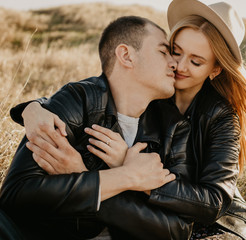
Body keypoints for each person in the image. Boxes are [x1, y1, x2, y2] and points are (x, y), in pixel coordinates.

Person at [5, 0, 246, 239]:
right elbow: (94, 92)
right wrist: (33, 107)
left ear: (215, 69)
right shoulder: (152, 97)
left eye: (196, 62)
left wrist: (131, 171)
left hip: (214, 213)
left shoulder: (220, 116)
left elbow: (212, 202)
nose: (179, 65)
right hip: (151, 209)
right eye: (174, 51)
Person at [0, 15, 193, 240]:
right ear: (126, 56)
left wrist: (85, 175)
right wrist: (127, 178)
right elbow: (16, 195)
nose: (175, 63)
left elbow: (178, 231)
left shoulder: (173, 128)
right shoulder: (79, 99)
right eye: (163, 52)